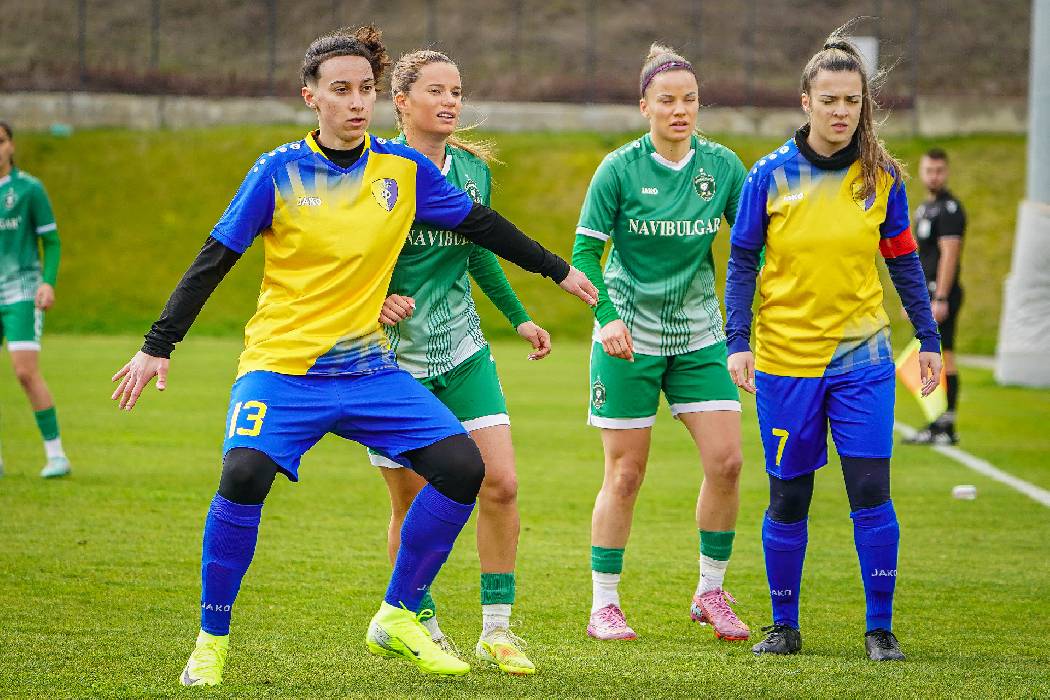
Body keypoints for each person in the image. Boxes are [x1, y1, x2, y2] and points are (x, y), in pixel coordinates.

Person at [109, 26, 597, 686]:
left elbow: (480, 226)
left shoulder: (403, 171)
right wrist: (156, 346)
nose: (356, 101)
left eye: (365, 88)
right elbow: (215, 258)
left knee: (463, 468)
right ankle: (210, 639)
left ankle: (398, 615)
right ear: (310, 97)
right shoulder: (278, 171)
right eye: (340, 89)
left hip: (367, 370)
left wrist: (557, 270)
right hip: (283, 368)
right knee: (243, 477)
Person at [724, 31, 941, 661]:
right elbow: (742, 262)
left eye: (852, 100)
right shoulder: (768, 175)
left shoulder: (881, 177)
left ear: (862, 104)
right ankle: (783, 626)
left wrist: (927, 337)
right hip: (785, 361)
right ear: (806, 101)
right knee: (789, 496)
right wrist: (739, 341)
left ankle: (880, 628)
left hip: (862, 361)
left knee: (870, 492)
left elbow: (904, 262)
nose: (841, 111)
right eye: (829, 100)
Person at [365, 48, 545, 675]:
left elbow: (478, 248)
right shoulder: (374, 173)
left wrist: (518, 316)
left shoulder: (472, 171)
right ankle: (419, 622)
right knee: (412, 502)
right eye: (436, 91)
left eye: (457, 92)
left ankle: (497, 629)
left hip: (464, 352)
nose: (450, 102)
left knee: (501, 483)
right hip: (392, 364)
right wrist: (374, 301)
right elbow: (347, 258)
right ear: (401, 101)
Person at [572, 43, 751, 643]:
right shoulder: (619, 169)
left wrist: (748, 328)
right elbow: (584, 255)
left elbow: (752, 247)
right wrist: (608, 316)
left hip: (699, 334)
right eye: (668, 100)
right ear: (644, 105)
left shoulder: (723, 167)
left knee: (727, 462)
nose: (680, 110)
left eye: (690, 100)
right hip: (628, 336)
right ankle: (604, 604)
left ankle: (710, 591)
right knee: (626, 473)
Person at [0, 120, 70, 479]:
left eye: (0, 141)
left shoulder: (29, 189)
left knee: (25, 372)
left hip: (22, 290)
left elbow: (52, 242)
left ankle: (56, 456)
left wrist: (48, 283)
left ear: (11, 146)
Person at [901, 148, 965, 445]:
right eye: (929, 171)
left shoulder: (950, 210)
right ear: (922, 172)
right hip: (925, 294)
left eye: (939, 171)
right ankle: (936, 422)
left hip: (941, 295)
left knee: (943, 356)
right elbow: (921, 256)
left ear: (947, 172)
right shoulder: (924, 209)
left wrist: (940, 297)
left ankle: (946, 425)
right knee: (926, 357)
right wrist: (913, 298)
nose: (934, 176)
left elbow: (949, 255)